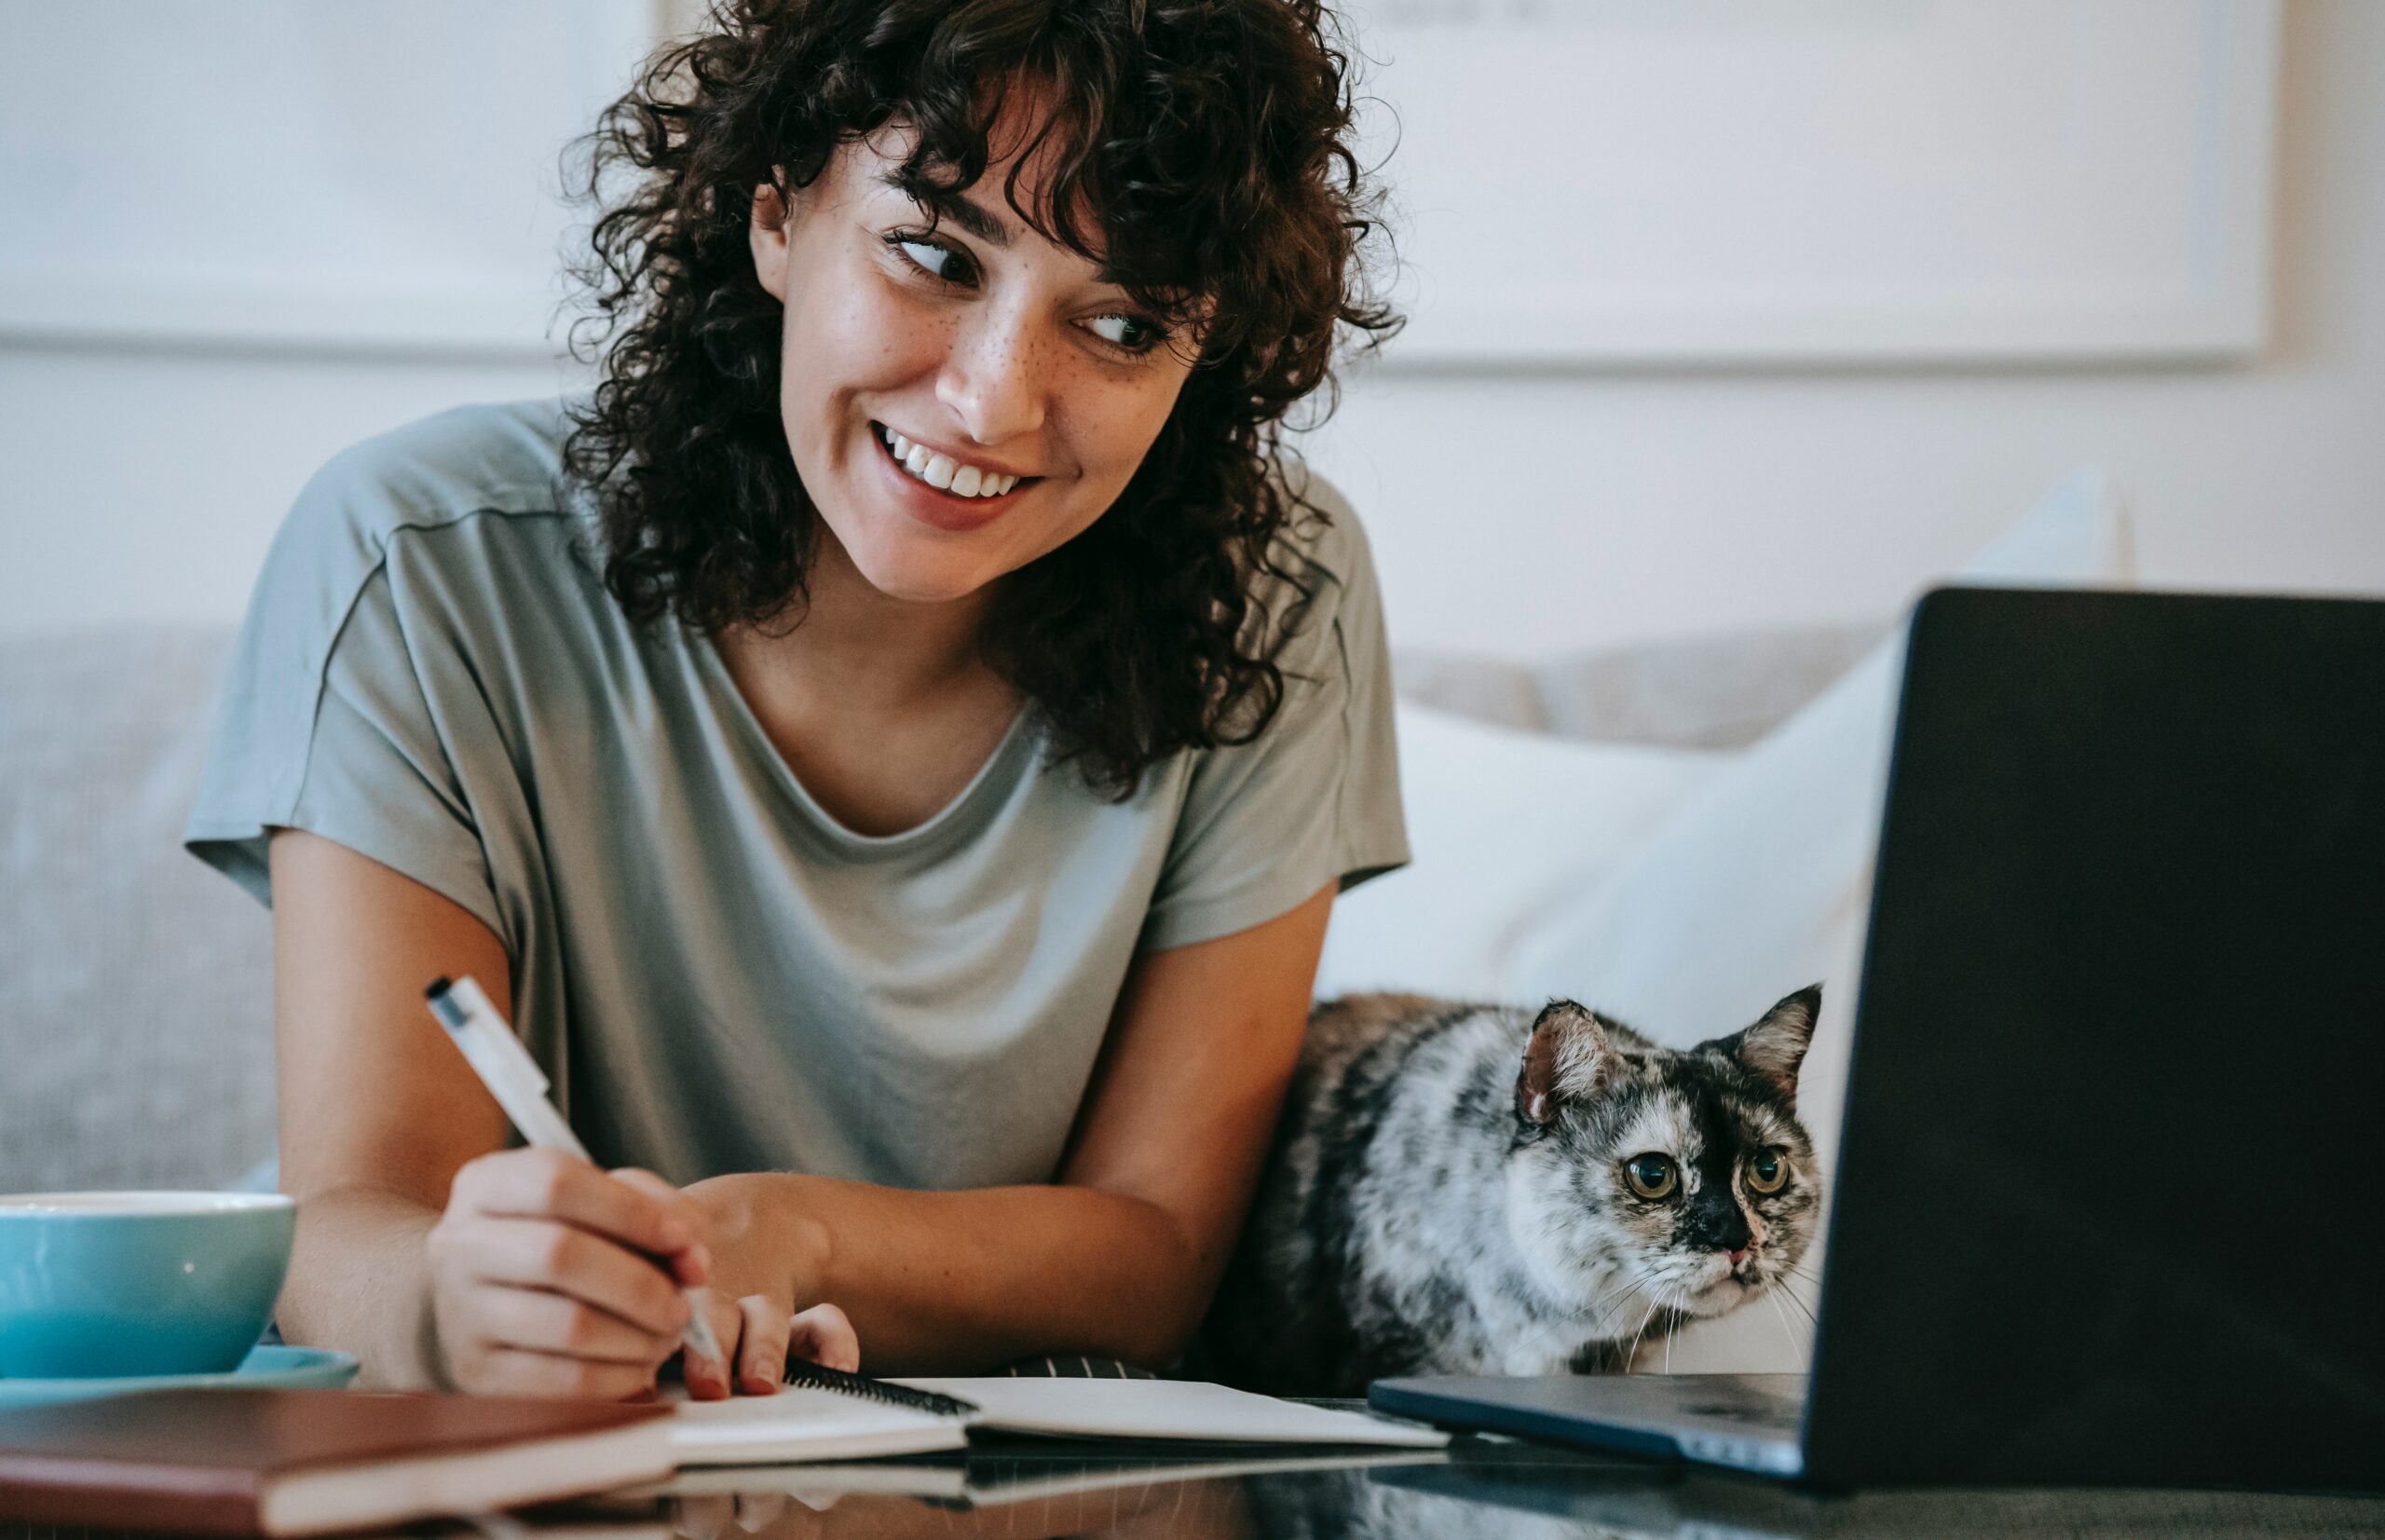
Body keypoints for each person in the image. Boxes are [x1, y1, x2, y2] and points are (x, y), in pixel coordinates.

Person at [184, 0, 1403, 1401]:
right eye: (935, 252)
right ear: (776, 210)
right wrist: (456, 1307)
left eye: (1123, 322)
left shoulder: (1277, 594)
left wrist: (798, 1231)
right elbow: (353, 1224)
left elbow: (1158, 1250)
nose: (994, 401)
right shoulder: (415, 565)